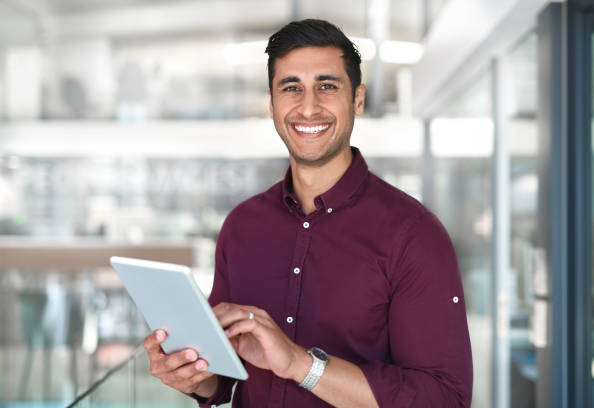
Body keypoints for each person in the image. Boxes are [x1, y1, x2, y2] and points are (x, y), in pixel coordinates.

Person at [143, 19, 472, 407]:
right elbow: (223, 379)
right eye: (291, 88)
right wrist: (190, 374)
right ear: (272, 104)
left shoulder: (414, 235)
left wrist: (300, 363)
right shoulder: (242, 227)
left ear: (358, 99)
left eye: (327, 86)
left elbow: (445, 398)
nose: (309, 106)